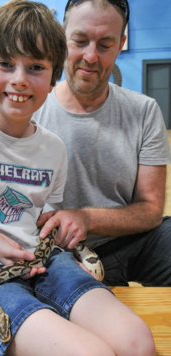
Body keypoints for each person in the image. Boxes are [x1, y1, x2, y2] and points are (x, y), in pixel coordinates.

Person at [0, 1, 154, 355]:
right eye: (5, 63)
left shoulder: (53, 149)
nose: (19, 79)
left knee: (137, 341)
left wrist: (73, 251)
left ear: (53, 76)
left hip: (40, 257)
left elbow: (42, 218)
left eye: (34, 67)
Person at [34, 0, 171, 287]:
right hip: (55, 251)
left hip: (126, 244)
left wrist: (86, 218)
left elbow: (150, 210)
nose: (91, 56)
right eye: (80, 41)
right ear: (62, 38)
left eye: (105, 45)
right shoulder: (30, 111)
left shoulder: (144, 111)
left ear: (121, 44)